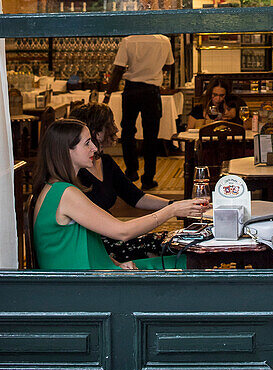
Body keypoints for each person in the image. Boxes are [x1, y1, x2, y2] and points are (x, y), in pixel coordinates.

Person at [31, 120, 206, 271]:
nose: (93, 147)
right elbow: (122, 232)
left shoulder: (53, 188)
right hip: (82, 285)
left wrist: (115, 263)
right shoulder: (65, 193)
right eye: (87, 143)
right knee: (189, 262)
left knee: (184, 260)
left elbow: (76, 245)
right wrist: (172, 210)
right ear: (66, 151)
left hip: (84, 276)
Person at [71, 101, 172, 261]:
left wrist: (173, 205)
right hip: (98, 245)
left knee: (171, 241)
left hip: (110, 235)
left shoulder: (105, 162)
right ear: (97, 132)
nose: (115, 129)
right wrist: (172, 211)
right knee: (169, 245)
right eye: (109, 124)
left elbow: (135, 197)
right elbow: (121, 231)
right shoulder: (75, 173)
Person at [103, 33, 174, 190]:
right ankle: (148, 178)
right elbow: (169, 65)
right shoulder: (164, 41)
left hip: (132, 90)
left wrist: (108, 94)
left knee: (128, 131)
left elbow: (118, 69)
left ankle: (131, 171)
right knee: (151, 135)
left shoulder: (128, 41)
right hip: (152, 91)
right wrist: (153, 67)